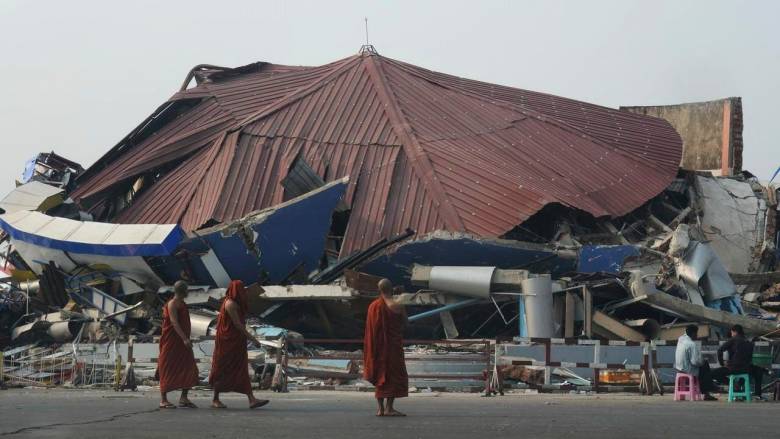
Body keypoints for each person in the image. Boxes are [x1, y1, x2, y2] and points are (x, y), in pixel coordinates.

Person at [209, 280, 269, 409]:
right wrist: (253, 339)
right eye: (241, 289)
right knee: (222, 369)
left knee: (241, 369)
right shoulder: (230, 304)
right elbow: (238, 325)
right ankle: (215, 399)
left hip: (236, 342)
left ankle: (251, 399)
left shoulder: (236, 303)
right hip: (227, 343)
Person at [363, 278, 408, 417]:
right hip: (393, 348)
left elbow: (370, 330)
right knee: (392, 376)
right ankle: (389, 408)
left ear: (379, 290)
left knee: (380, 375)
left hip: (377, 348)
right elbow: (405, 322)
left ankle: (380, 409)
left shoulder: (373, 306)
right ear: (392, 288)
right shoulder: (397, 305)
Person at [158, 280, 200, 409]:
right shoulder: (172, 304)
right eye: (186, 290)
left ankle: (184, 398)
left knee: (189, 366)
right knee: (167, 366)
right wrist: (184, 339)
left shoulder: (182, 303)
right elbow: (174, 322)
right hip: (172, 341)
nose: (188, 292)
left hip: (182, 341)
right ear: (182, 291)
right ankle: (163, 399)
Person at [710, 324, 764, 399]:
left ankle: (733, 384)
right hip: (746, 368)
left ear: (735, 332)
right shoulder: (748, 342)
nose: (732, 334)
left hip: (734, 368)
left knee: (712, 373)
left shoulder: (733, 339)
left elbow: (720, 350)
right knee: (759, 370)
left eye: (732, 332)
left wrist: (722, 363)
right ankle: (757, 394)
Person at [674, 324, 717, 400]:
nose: (697, 335)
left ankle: (708, 389)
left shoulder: (680, 340)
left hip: (678, 368)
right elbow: (695, 362)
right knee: (705, 366)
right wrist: (702, 361)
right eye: (696, 333)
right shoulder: (692, 344)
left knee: (703, 366)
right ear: (693, 333)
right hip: (687, 369)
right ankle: (707, 392)